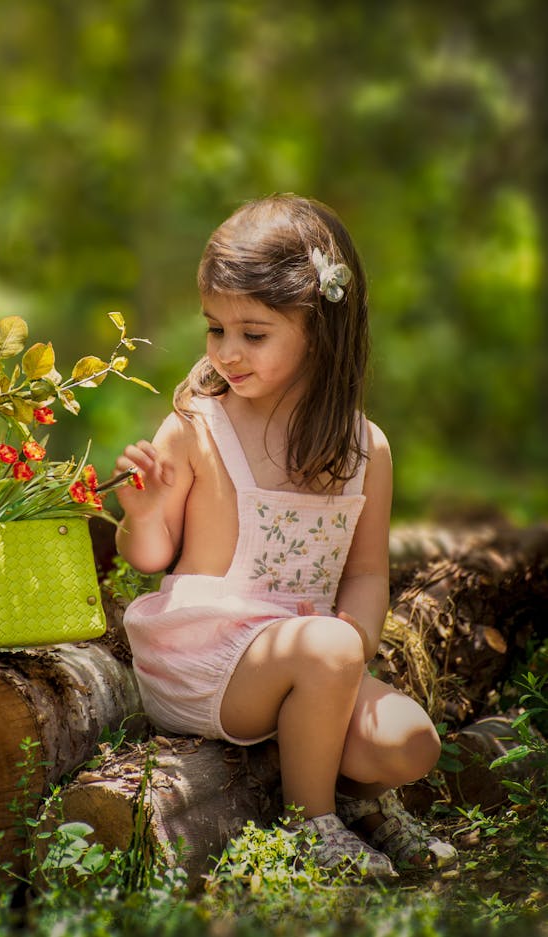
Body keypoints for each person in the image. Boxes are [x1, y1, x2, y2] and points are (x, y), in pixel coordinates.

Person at [113, 194, 457, 878]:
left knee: (411, 744)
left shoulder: (365, 449)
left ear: (319, 328)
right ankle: (313, 825)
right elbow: (150, 557)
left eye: (253, 333)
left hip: (305, 661)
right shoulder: (200, 427)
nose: (227, 352)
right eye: (215, 330)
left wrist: (347, 656)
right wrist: (144, 514)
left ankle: (355, 798)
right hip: (202, 657)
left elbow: (363, 575)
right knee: (324, 647)